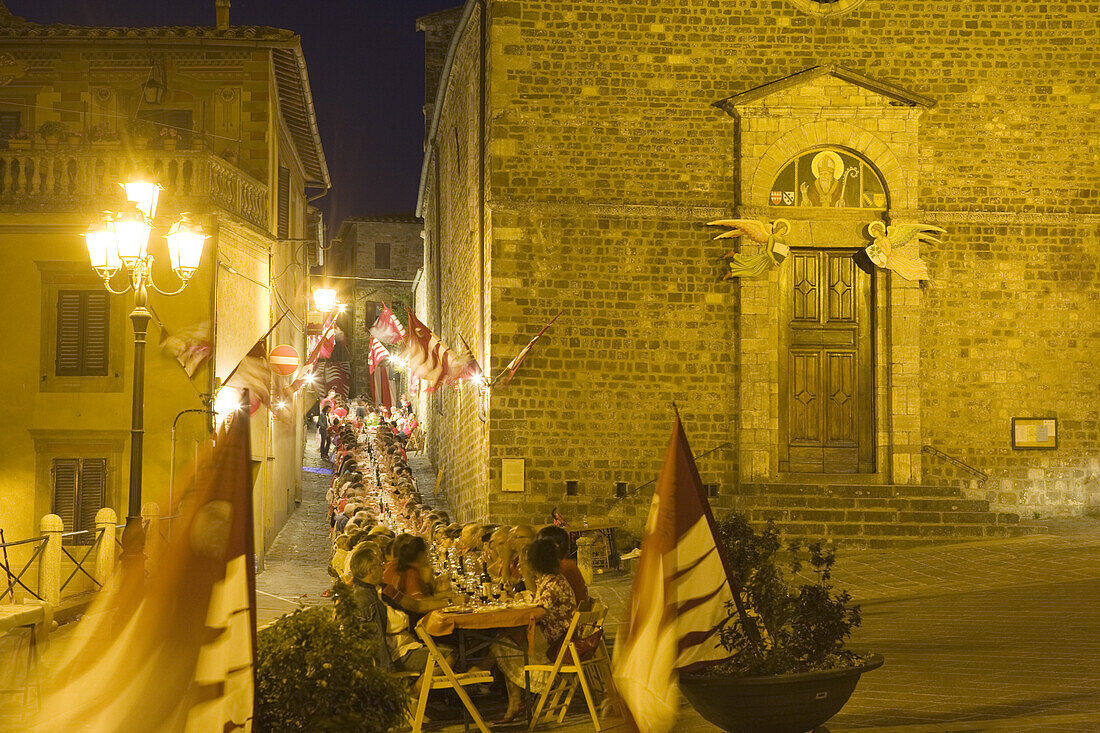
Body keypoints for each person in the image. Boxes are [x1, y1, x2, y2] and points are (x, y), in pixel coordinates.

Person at [494, 538, 577, 723]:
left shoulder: (551, 583)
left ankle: (515, 700)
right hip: (559, 636)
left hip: (554, 642)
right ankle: (516, 700)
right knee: (504, 639)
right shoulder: (552, 579)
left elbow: (538, 614)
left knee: (501, 643)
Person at [538, 524, 589, 608]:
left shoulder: (563, 569)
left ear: (554, 546)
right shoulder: (565, 564)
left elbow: (541, 603)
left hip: (570, 618)